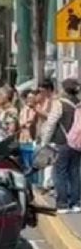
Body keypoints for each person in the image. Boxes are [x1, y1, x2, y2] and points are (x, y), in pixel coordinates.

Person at [40, 78, 81, 213]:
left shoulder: (59, 104)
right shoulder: (79, 104)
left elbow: (51, 123)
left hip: (62, 142)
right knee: (75, 172)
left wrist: (44, 142)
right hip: (77, 144)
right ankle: (76, 203)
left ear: (64, 89)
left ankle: (62, 203)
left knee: (60, 172)